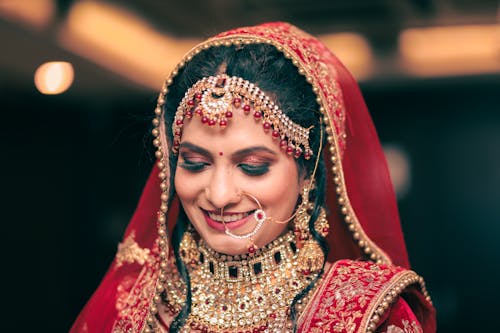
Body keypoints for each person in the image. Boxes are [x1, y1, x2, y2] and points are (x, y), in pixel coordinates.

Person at [71, 22, 436, 333]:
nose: (220, 194)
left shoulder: (367, 312)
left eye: (253, 167)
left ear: (307, 173)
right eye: (196, 164)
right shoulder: (132, 309)